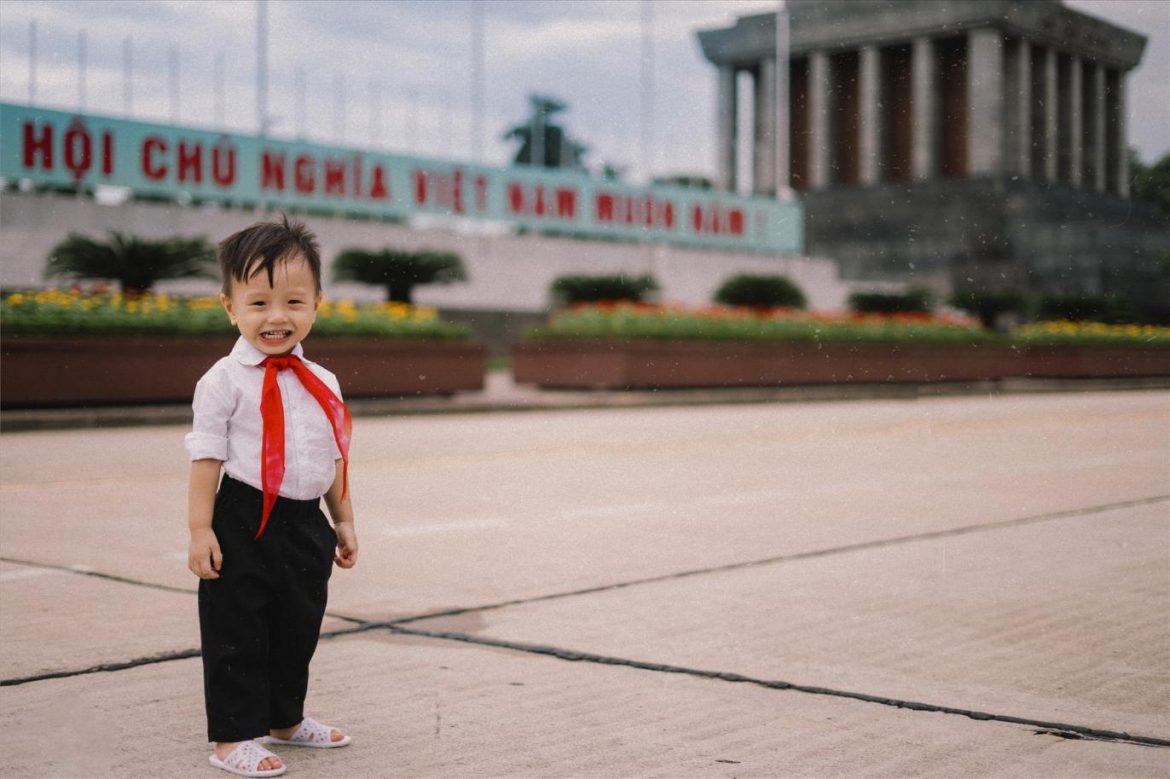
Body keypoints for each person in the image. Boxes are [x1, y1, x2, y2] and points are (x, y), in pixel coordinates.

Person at [185, 215, 359, 778]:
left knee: (297, 625)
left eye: (292, 301)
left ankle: (285, 720)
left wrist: (345, 521)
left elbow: (334, 456)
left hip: (306, 522)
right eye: (258, 303)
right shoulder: (223, 380)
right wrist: (200, 529)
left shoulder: (323, 380)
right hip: (242, 518)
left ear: (316, 304)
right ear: (230, 307)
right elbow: (206, 458)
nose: (277, 317)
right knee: (236, 631)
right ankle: (232, 739)